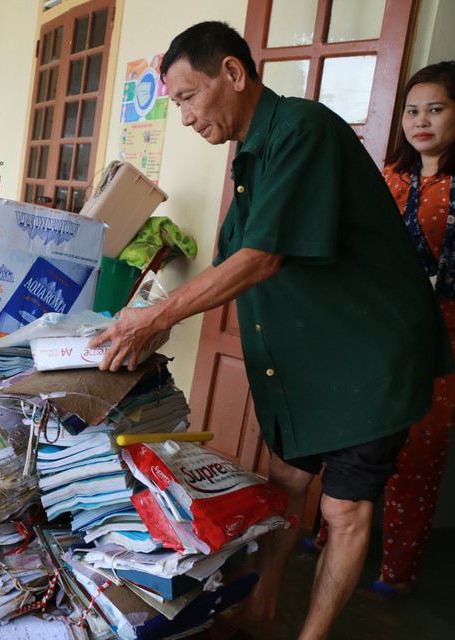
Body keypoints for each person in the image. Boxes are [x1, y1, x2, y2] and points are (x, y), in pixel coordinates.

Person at [89, 21, 453, 640]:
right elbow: (231, 260)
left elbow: (262, 258)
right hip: (311, 365)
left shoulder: (302, 130)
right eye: (176, 103)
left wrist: (159, 316)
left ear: (233, 73)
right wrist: (151, 315)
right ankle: (260, 612)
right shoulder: (252, 156)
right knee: (285, 484)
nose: (184, 116)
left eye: (188, 96)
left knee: (343, 508)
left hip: (368, 359)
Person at [373, 61, 455, 599]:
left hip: (445, 336)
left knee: (420, 454)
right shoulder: (389, 177)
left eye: (436, 109)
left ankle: (395, 573)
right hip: (382, 330)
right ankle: (330, 535)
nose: (420, 120)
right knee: (359, 436)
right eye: (412, 110)